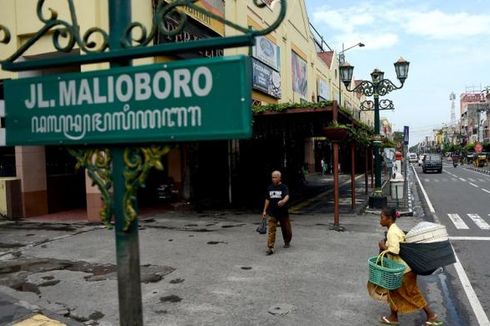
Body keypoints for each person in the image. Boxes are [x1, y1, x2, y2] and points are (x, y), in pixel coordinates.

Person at [374, 207, 442, 325]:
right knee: (393, 292)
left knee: (412, 294)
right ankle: (393, 317)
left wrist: (382, 245)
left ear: (389, 219)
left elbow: (395, 250)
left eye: (382, 217)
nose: (380, 220)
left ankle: (432, 315)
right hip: (399, 269)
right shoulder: (393, 229)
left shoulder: (392, 232)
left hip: (404, 270)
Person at [262, 170, 292, 255]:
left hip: (283, 213)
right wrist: (264, 210)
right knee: (271, 230)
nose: (273, 179)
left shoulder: (284, 187)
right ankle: (270, 247)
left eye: (275, 177)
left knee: (286, 229)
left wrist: (283, 201)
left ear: (279, 178)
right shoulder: (270, 188)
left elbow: (287, 196)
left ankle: (287, 241)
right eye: (272, 177)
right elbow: (267, 199)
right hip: (272, 212)